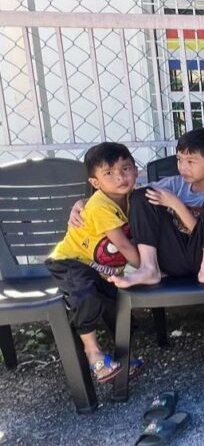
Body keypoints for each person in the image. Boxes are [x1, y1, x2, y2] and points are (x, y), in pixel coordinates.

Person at [46, 143, 142, 381]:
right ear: (95, 182)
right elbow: (123, 245)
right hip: (71, 261)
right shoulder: (100, 206)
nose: (120, 177)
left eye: (125, 168)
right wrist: (150, 268)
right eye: (108, 172)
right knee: (84, 295)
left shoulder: (132, 198)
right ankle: (93, 352)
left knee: (117, 305)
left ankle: (123, 356)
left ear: (136, 170)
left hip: (101, 269)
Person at [111, 127, 204, 288]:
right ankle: (148, 267)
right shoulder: (174, 184)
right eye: (179, 159)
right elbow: (133, 198)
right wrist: (86, 204)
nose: (182, 167)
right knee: (141, 195)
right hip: (176, 257)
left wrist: (176, 205)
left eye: (190, 162)